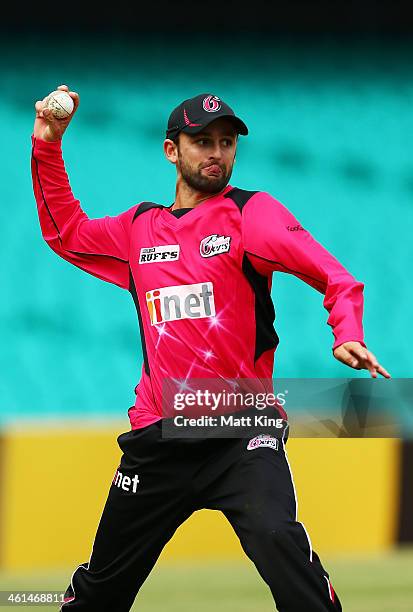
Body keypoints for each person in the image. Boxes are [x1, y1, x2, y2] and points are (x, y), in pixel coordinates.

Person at [32, 84, 390, 612]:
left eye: (226, 142)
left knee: (277, 541)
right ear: (171, 151)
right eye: (202, 141)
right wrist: (47, 144)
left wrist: (348, 331)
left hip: (241, 433)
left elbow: (335, 276)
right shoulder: (138, 230)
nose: (216, 153)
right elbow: (66, 232)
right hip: (161, 434)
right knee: (98, 595)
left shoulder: (252, 214)